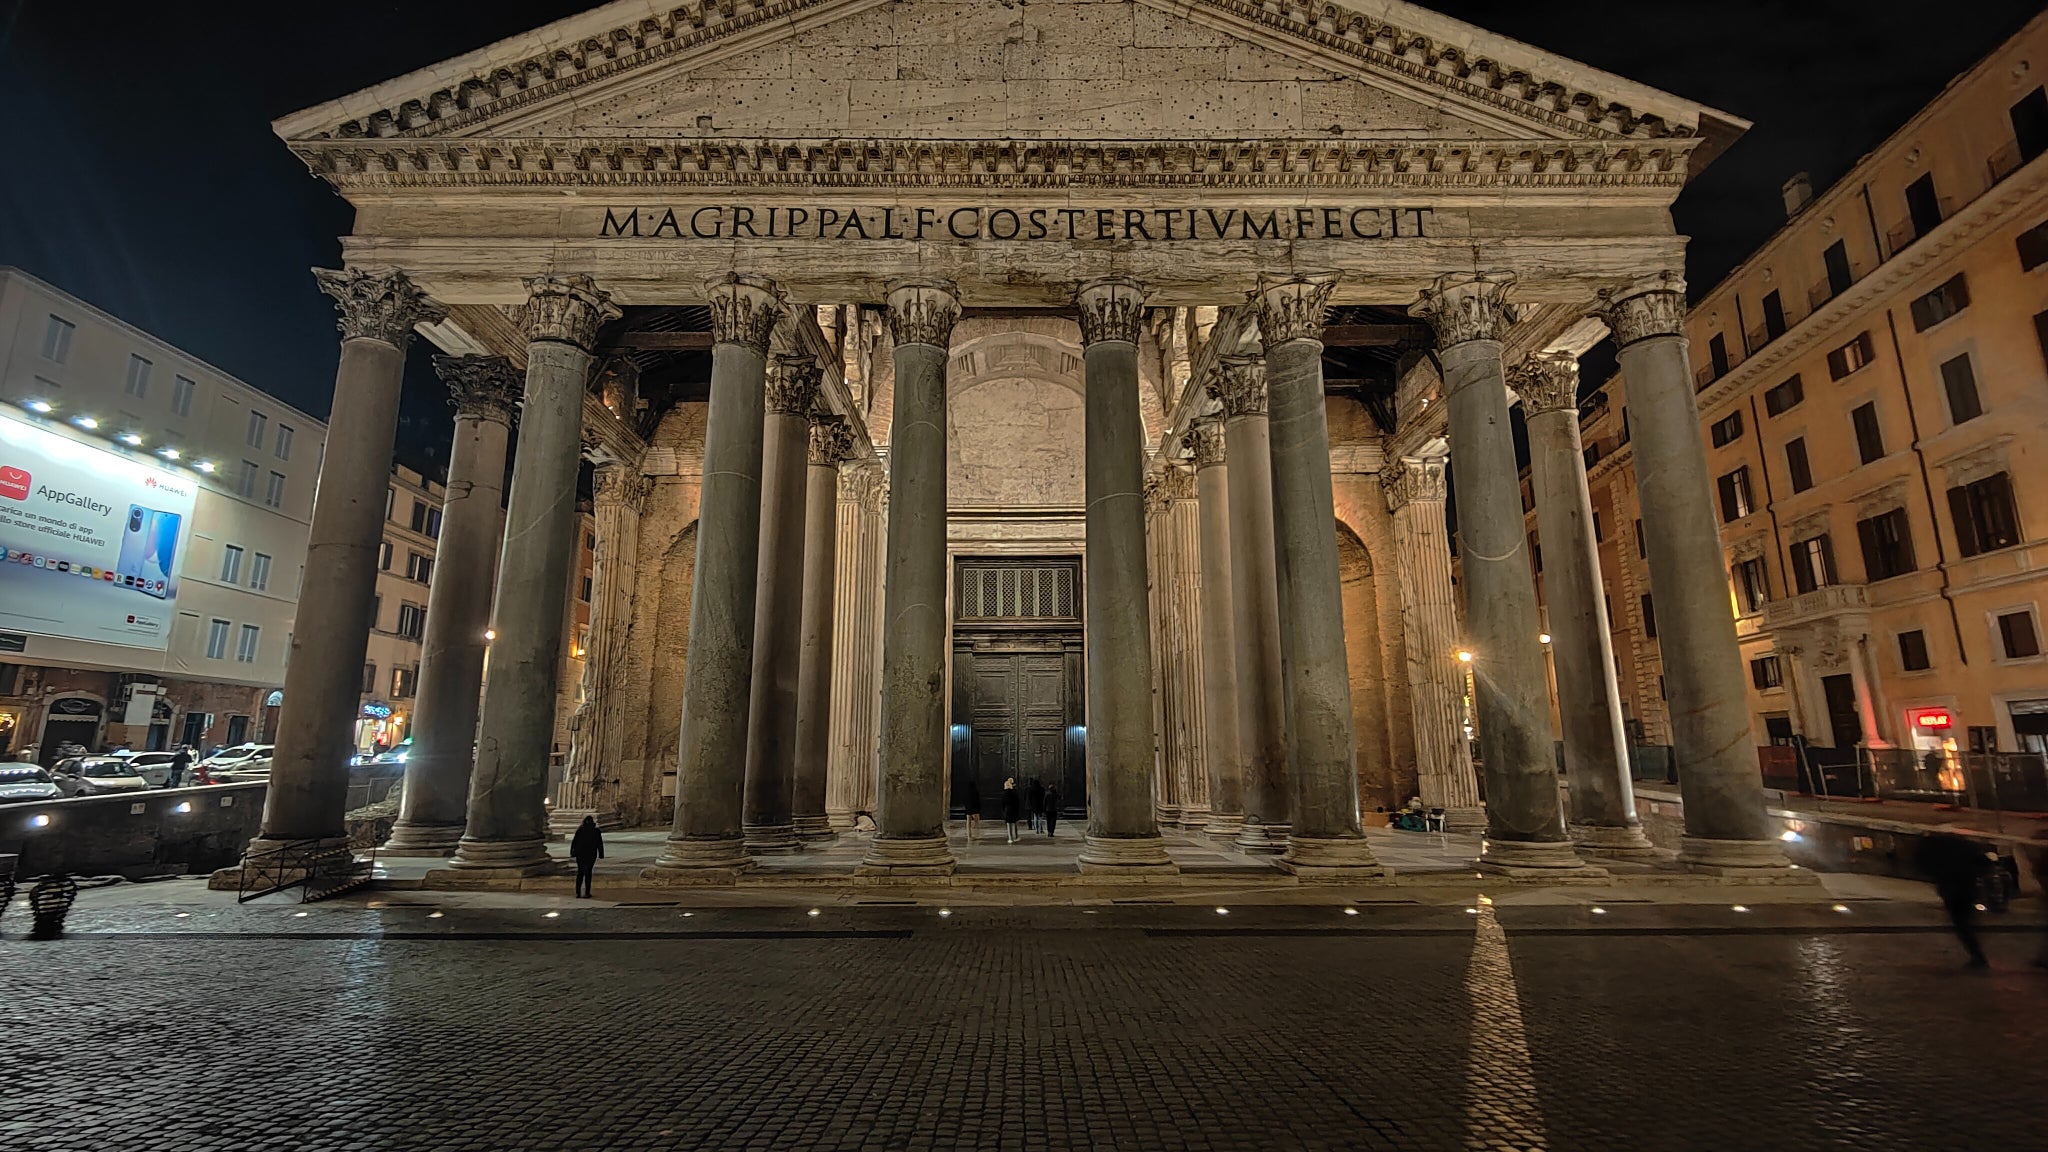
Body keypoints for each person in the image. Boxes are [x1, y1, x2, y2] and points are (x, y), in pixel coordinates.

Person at [1916, 831, 1994, 969]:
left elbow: (1923, 865)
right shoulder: (1967, 847)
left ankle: (1977, 956)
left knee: (1962, 924)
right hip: (1968, 889)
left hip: (1951, 890)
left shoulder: (1936, 850)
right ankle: (1977, 954)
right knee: (1966, 922)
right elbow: (1985, 865)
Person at [570, 815, 604, 899]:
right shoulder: (596, 831)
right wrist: (601, 854)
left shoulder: (580, 830)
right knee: (588, 872)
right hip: (591, 854)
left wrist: (572, 852)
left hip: (580, 854)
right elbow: (599, 843)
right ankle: (587, 892)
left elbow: (574, 842)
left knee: (580, 872)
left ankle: (578, 892)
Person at [962, 777, 983, 842]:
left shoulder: (966, 793)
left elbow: (964, 800)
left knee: (968, 823)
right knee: (976, 823)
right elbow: (977, 801)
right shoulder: (976, 792)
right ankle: (976, 835)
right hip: (975, 809)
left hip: (968, 808)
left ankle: (969, 836)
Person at [1001, 777, 1021, 844]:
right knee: (1015, 824)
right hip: (1014, 809)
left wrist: (1003, 810)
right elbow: (1017, 802)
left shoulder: (1004, 794)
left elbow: (1003, 803)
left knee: (1008, 825)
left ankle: (1010, 838)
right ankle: (1016, 836)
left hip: (1007, 810)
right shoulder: (1014, 793)